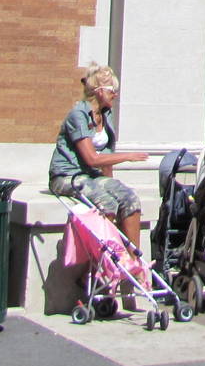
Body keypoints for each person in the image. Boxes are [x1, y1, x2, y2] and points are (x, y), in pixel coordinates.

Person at [49, 63, 150, 256]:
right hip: (67, 175)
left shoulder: (105, 114)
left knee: (130, 198)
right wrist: (127, 156)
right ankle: (104, 261)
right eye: (113, 90)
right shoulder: (78, 115)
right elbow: (93, 158)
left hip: (91, 176)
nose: (116, 95)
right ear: (100, 91)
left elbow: (105, 157)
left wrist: (111, 182)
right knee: (107, 202)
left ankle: (134, 260)